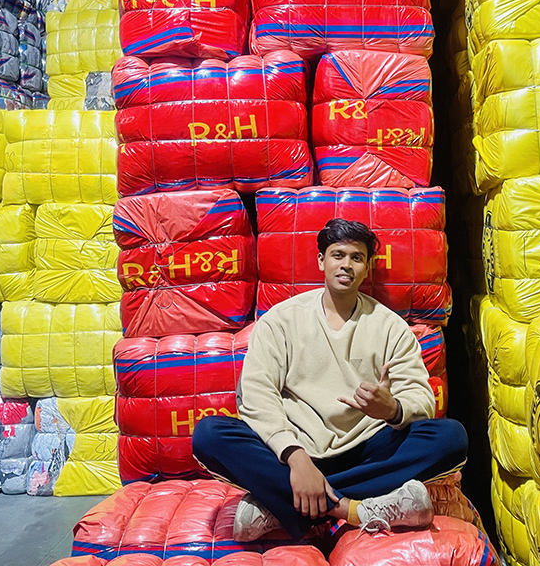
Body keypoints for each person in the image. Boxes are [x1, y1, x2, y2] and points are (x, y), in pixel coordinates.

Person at [192, 218, 468, 542]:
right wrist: (296, 458)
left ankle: (286, 505)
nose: (346, 265)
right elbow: (256, 395)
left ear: (367, 267)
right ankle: (354, 508)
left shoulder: (390, 327)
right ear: (322, 261)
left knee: (451, 437)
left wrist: (392, 409)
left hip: (367, 450)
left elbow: (420, 397)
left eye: (357, 257)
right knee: (210, 435)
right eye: (338, 255)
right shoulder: (281, 320)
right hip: (295, 451)